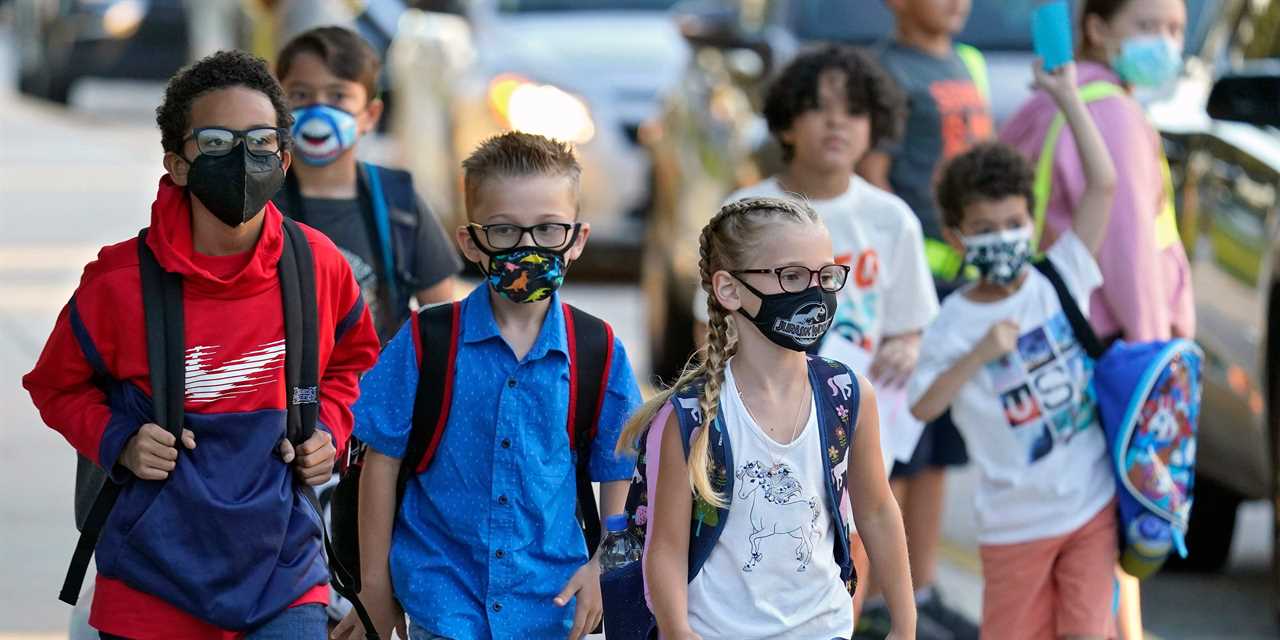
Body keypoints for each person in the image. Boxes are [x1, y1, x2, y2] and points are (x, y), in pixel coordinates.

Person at [22, 50, 381, 639]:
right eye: (215, 142)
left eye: (261, 141)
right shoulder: (119, 282)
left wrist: (330, 428)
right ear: (177, 163)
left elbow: (356, 363)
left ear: (284, 159)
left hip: (285, 581)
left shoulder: (318, 266)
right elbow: (55, 385)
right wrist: (118, 439)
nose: (242, 157)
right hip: (150, 588)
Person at [331, 132, 643, 640]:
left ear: (577, 239)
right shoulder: (428, 341)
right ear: (471, 242)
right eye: (504, 231)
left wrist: (604, 567)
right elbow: (380, 463)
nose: (527, 247)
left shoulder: (597, 349)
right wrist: (375, 588)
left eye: (548, 229)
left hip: (550, 606)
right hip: (441, 601)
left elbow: (620, 469)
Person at [690, 44, 932, 628]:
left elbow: (911, 324)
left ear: (875, 125)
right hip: (760, 418)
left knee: (849, 541)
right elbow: (709, 325)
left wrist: (905, 347)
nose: (836, 123)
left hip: (849, 418)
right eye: (819, 108)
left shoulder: (891, 218)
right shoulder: (745, 211)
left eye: (853, 111)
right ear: (786, 122)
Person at [1000, 3, 1193, 636]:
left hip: (1049, 342)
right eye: (1146, 26)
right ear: (1097, 28)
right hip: (1114, 352)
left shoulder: (1048, 103)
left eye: (1174, 28)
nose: (1164, 42)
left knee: (1070, 535)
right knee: (1111, 536)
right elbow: (1129, 248)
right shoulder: (1112, 114)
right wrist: (1155, 361)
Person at [908, 60, 1119, 640]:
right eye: (984, 228)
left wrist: (1069, 99)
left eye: (1013, 222)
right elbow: (923, 405)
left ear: (1031, 220)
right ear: (957, 237)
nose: (1002, 236)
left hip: (1089, 506)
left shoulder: (1061, 277)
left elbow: (1103, 185)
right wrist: (977, 354)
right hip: (1014, 526)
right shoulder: (953, 321)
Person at [644, 196, 917, 640]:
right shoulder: (693, 416)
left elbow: (877, 512)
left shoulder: (847, 394)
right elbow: (666, 548)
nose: (816, 293)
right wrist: (676, 630)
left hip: (825, 628)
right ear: (729, 289)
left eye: (826, 276)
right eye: (792, 276)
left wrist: (905, 625)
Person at [858, 2, 994, 632]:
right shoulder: (885, 72)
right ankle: (876, 599)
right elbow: (876, 183)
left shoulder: (968, 62)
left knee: (939, 444)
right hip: (914, 285)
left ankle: (923, 587)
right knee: (898, 446)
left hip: (964, 283)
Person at [275, 26, 461, 343]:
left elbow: (443, 322)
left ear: (370, 115)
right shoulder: (260, 201)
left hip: (380, 373)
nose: (318, 109)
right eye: (301, 95)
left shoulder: (398, 200)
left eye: (338, 96)